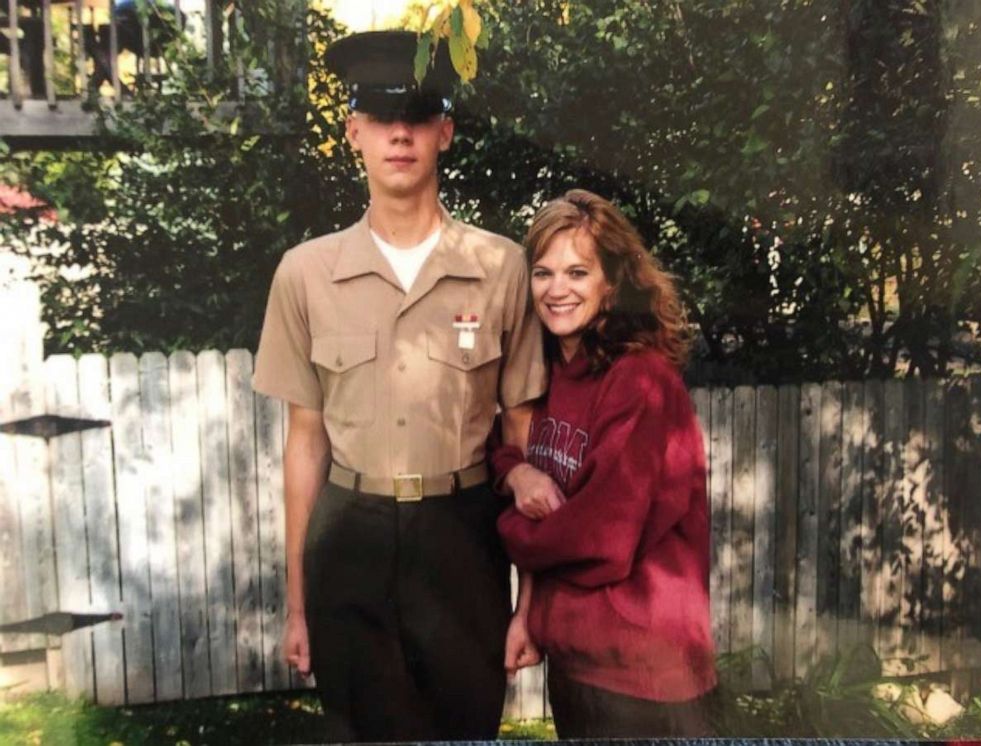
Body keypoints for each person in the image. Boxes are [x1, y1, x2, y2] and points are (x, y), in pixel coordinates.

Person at [252, 31, 548, 742]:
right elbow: (303, 445)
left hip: (464, 537)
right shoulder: (306, 274)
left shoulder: (501, 268)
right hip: (349, 535)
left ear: (444, 131)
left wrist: (530, 599)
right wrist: (297, 603)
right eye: (381, 119)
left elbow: (526, 439)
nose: (400, 136)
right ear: (354, 131)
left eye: (417, 116)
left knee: (464, 726)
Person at [493, 189, 719, 738]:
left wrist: (505, 528)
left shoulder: (640, 381)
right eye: (543, 273)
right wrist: (516, 472)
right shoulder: (549, 375)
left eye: (577, 271)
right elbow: (503, 447)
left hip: (648, 678)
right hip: (577, 664)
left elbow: (603, 537)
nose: (557, 290)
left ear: (611, 283)